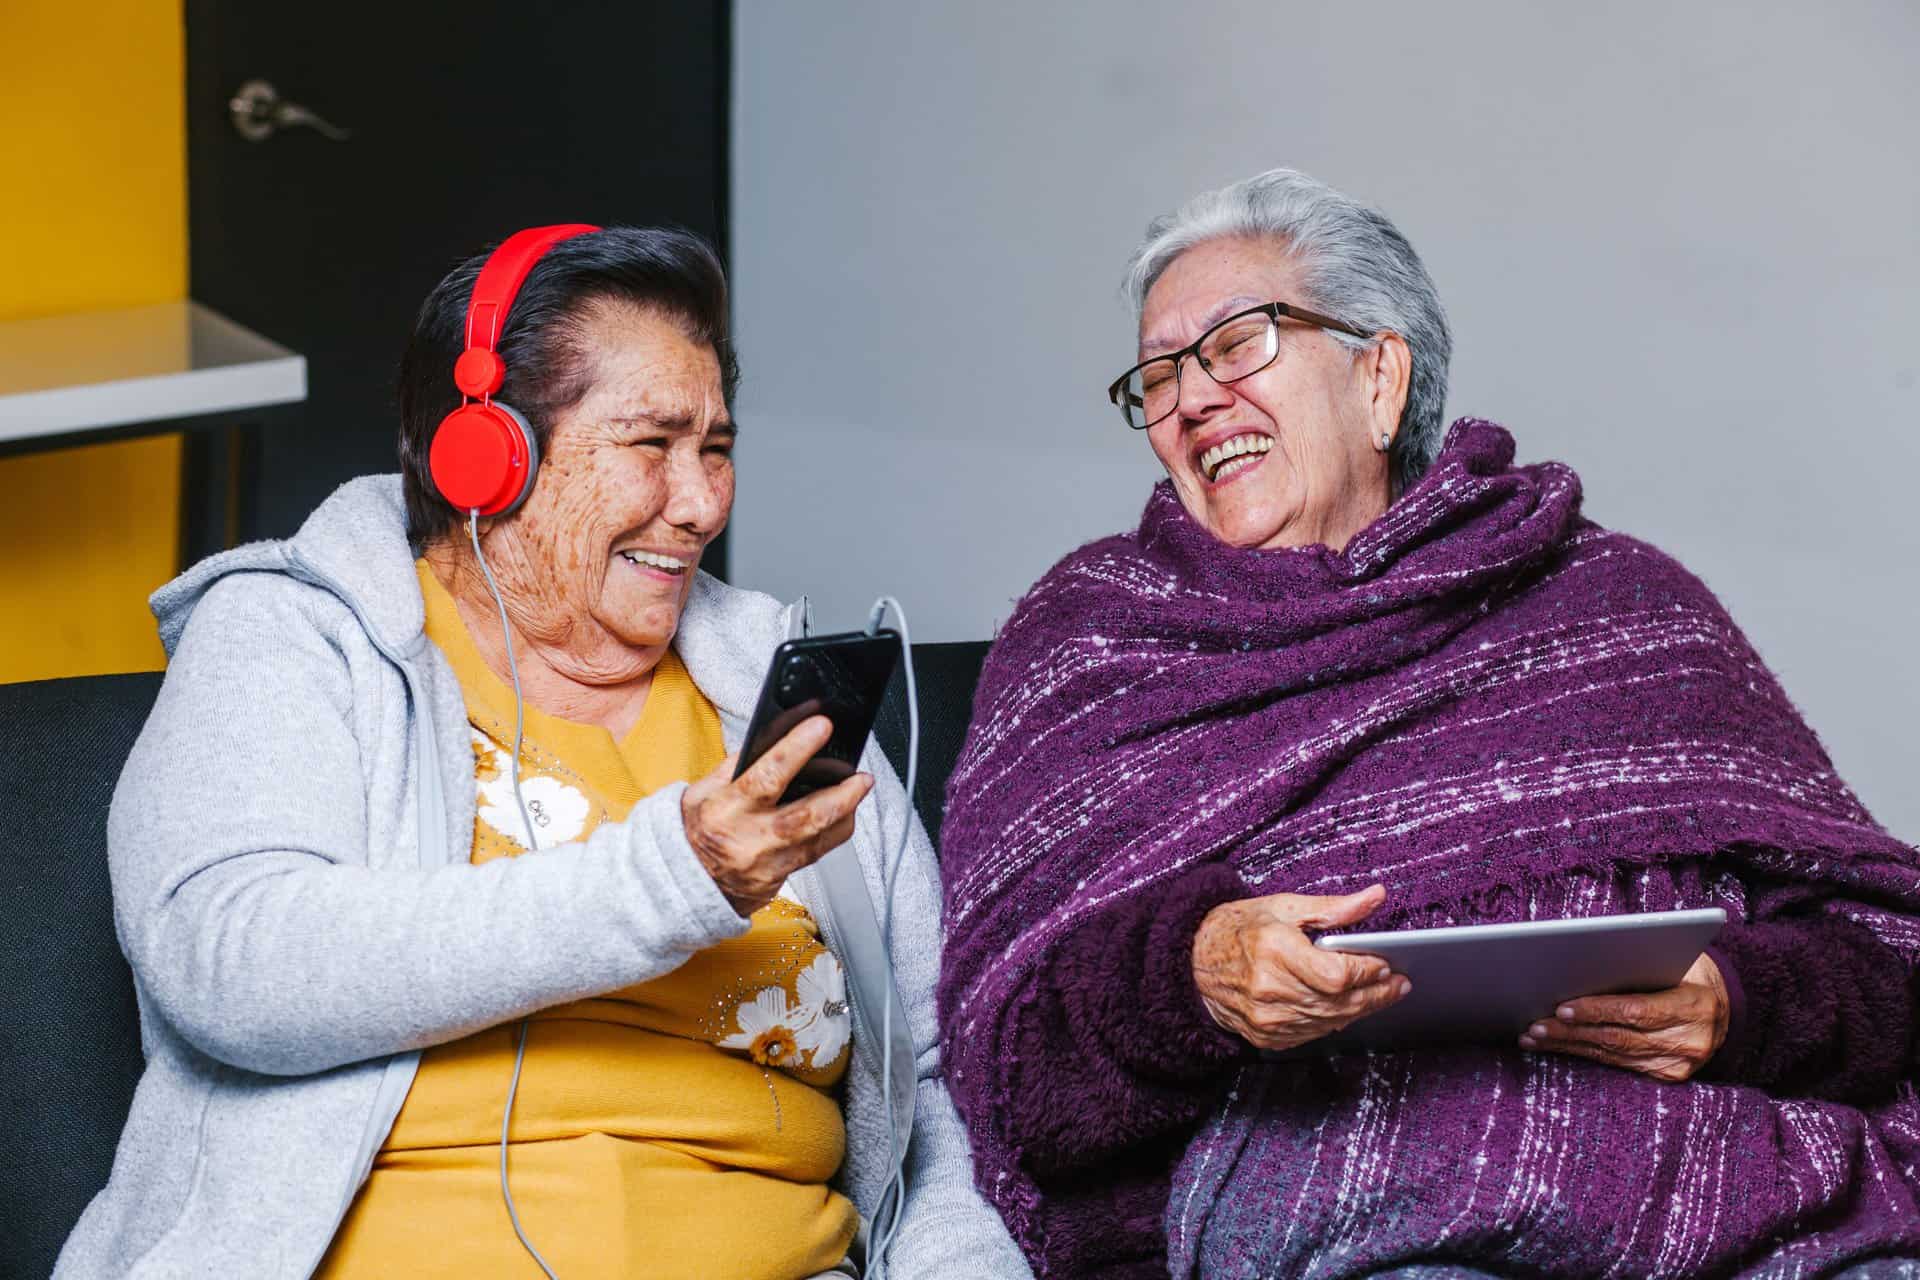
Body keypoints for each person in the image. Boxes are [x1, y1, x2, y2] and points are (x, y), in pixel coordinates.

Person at [937, 169, 1920, 1278]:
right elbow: (1007, 1072)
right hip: (1343, 1229)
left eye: (1238, 343)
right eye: (1159, 375)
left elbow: (1890, 957)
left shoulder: (1620, 611)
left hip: (1743, 1207)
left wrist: (1737, 1003)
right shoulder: (1086, 651)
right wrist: (1192, 977)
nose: (1194, 398)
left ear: (1381, 377)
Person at [57, 225, 1029, 1280]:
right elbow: (231, 964)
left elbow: (932, 1082)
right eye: (651, 444)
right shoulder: (296, 634)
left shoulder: (767, 686)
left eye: (716, 448)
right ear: (486, 455)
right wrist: (678, 874)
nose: (702, 503)